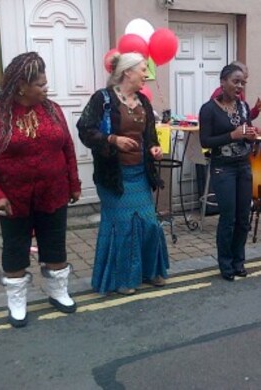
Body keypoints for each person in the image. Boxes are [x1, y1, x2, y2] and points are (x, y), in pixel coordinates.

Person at [0, 52, 81, 327]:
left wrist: (74, 183)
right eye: (41, 85)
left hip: (53, 192)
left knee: (55, 243)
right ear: (22, 86)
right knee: (15, 248)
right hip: (13, 199)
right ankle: (17, 300)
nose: (46, 89)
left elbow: (67, 147)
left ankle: (58, 292)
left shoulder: (54, 110)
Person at [77, 52, 169, 295]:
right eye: (142, 71)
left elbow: (150, 135)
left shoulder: (143, 102)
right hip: (114, 177)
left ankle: (149, 271)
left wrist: (153, 147)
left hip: (139, 173)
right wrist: (112, 139)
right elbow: (85, 130)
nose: (146, 76)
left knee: (150, 224)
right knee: (124, 226)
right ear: (127, 72)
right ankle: (121, 279)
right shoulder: (103, 99)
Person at [200, 64, 261, 281]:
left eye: (243, 83)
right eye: (235, 81)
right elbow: (205, 141)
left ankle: (239, 261)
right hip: (223, 167)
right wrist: (231, 136)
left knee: (243, 218)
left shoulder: (243, 106)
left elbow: (246, 129)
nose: (240, 86)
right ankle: (225, 264)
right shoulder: (209, 109)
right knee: (229, 218)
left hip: (243, 165)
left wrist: (250, 134)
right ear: (223, 82)